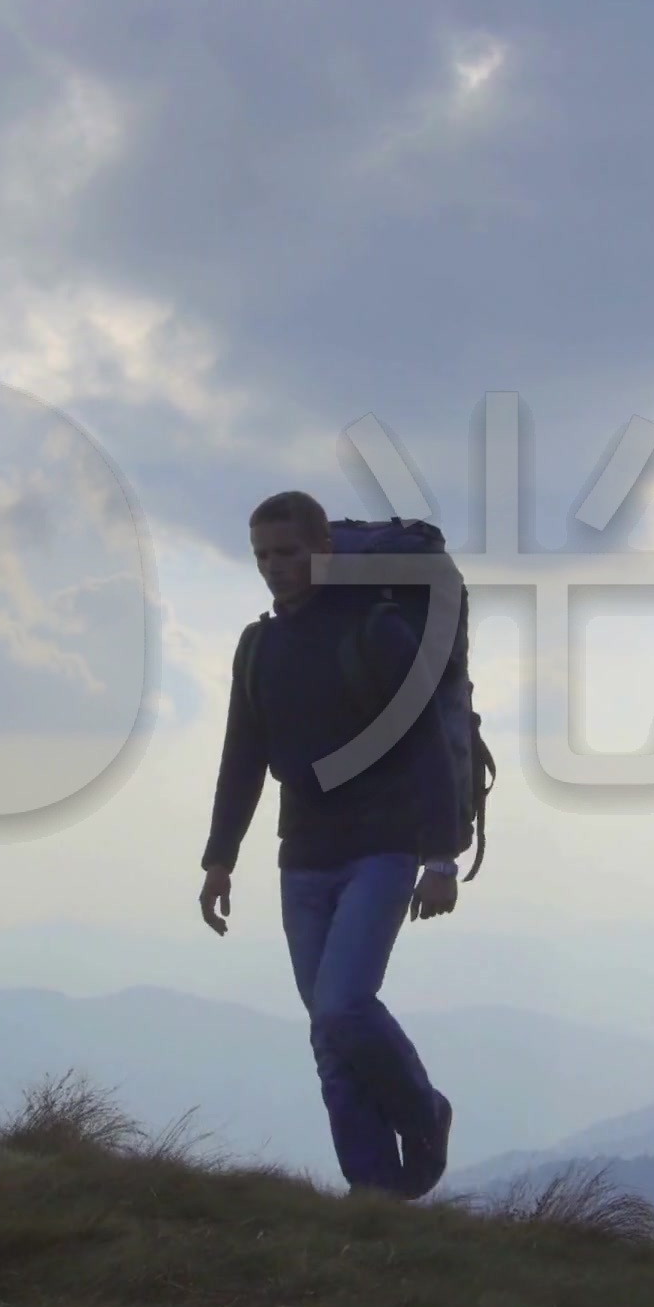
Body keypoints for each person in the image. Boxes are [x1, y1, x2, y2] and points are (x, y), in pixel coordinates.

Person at [197, 489, 461, 1200]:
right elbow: (242, 757)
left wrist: (442, 858)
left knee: (343, 1007)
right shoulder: (258, 647)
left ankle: (424, 1114)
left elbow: (429, 745)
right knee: (328, 1035)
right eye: (262, 556)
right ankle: (374, 1197)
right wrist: (219, 858)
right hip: (302, 856)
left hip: (384, 846)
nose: (275, 567)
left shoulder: (377, 633)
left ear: (326, 550)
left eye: (288, 551)